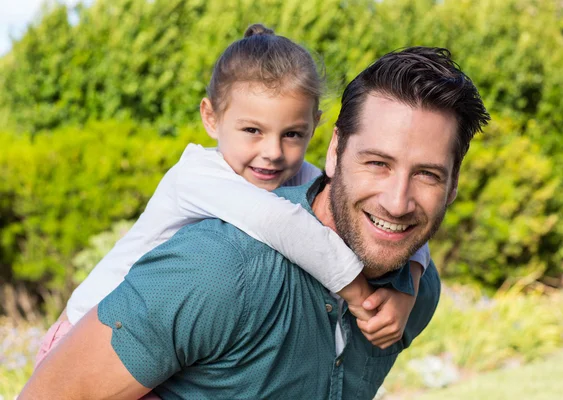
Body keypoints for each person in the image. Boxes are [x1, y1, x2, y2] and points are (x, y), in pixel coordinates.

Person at [21, 47, 490, 399]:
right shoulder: (217, 253)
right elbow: (282, 225)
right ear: (335, 150)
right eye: (377, 163)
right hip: (86, 325)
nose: (397, 200)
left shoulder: (415, 293)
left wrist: (409, 281)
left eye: (427, 175)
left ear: (452, 186)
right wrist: (357, 290)